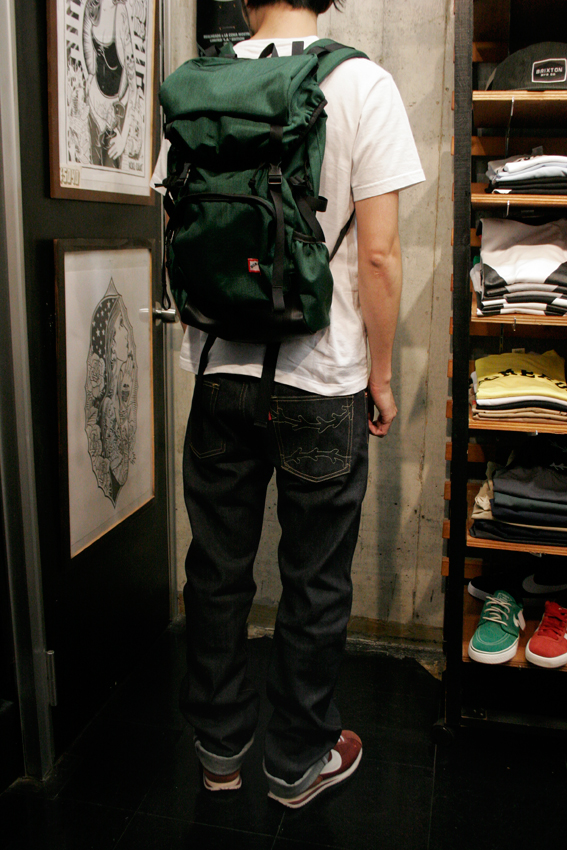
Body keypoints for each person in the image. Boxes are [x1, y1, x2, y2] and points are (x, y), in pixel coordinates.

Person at [152, 0, 425, 809]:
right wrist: (381, 378)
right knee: (313, 582)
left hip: (217, 373)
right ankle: (297, 762)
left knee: (217, 572)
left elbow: (178, 222)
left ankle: (219, 752)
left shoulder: (198, 85)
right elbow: (377, 255)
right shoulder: (362, 84)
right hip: (322, 377)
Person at [83, 0, 137, 168]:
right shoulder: (91, 9)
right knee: (94, 169)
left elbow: (133, 85)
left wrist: (123, 136)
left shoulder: (120, 13)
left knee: (111, 168)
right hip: (96, 106)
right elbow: (90, 64)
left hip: (116, 111)